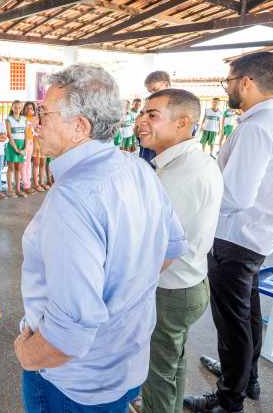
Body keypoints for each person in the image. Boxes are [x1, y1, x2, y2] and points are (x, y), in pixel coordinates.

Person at [16, 64, 187, 413]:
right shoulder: (137, 168)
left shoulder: (73, 197)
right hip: (129, 362)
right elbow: (171, 248)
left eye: (44, 114)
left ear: (80, 127)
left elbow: (67, 336)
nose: (36, 123)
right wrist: (124, 293)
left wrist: (26, 355)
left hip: (74, 384)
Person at [185, 51, 273, 413]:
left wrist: (197, 191)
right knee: (247, 314)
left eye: (229, 81)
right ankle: (245, 377)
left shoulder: (257, 127)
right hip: (253, 236)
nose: (228, 88)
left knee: (232, 323)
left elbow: (235, 195)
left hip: (236, 237)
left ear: (245, 82)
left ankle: (228, 399)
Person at [136, 89, 224, 413]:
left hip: (171, 289)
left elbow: (160, 252)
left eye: (152, 115)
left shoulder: (180, 175)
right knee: (172, 362)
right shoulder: (193, 161)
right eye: (143, 113)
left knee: (157, 371)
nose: (141, 121)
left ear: (183, 123)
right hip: (189, 281)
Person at [6, 100, 28, 198]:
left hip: (22, 145)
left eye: (19, 107)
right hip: (12, 146)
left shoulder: (24, 119)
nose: (17, 109)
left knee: (18, 169)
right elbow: (10, 136)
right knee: (11, 168)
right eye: (15, 107)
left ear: (21, 108)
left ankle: (18, 189)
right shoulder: (8, 120)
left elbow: (27, 134)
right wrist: (16, 149)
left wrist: (25, 148)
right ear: (12, 108)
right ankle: (10, 190)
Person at [21, 102, 38, 195]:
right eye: (27, 108)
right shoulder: (23, 119)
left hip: (31, 142)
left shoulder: (34, 119)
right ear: (24, 110)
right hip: (24, 142)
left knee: (28, 164)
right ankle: (26, 185)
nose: (29, 110)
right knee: (24, 164)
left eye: (31, 108)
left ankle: (28, 183)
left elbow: (35, 132)